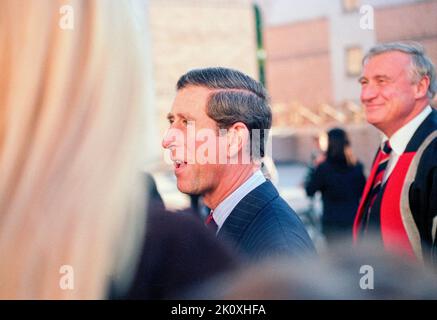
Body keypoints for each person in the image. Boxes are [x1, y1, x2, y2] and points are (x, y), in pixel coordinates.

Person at [162, 67, 315, 261]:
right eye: (171, 121)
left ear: (234, 139)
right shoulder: (223, 221)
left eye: (186, 123)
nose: (167, 139)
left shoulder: (278, 253)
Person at [353, 41, 437, 265]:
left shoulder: (432, 151)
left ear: (420, 86)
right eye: (364, 82)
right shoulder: (389, 150)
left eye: (382, 81)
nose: (366, 95)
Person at [305, 128, 366, 244]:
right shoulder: (357, 166)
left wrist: (315, 168)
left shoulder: (324, 168)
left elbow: (309, 190)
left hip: (332, 223)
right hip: (353, 220)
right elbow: (363, 191)